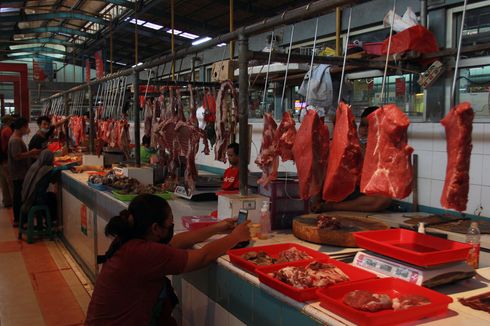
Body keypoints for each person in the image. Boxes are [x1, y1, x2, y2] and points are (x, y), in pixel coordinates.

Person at [85, 194, 250, 325]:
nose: (172, 226)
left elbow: (176, 242)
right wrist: (235, 237)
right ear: (155, 228)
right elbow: (202, 257)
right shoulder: (143, 252)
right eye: (170, 223)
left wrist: (218, 227)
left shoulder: (129, 240)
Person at [311, 106, 391, 213]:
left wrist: (357, 143)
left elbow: (374, 173)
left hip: (358, 194)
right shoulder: (345, 143)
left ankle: (332, 207)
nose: (365, 130)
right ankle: (320, 205)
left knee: (383, 200)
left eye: (371, 126)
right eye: (363, 125)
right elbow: (319, 171)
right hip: (335, 188)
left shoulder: (385, 150)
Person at [21, 150, 70, 227]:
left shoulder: (35, 165)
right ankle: (51, 223)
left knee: (49, 196)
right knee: (52, 198)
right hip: (35, 199)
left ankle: (43, 223)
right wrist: (75, 165)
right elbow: (60, 169)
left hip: (26, 197)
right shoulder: (46, 170)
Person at [8, 117, 40, 226]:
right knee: (19, 196)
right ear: (21, 127)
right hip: (18, 173)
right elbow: (16, 156)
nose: (27, 129)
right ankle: (19, 220)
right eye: (26, 127)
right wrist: (31, 153)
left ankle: (20, 219)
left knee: (19, 195)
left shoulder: (17, 138)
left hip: (19, 172)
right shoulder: (15, 140)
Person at [0, 115, 14, 207]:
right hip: (6, 159)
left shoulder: (2, 129)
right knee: (10, 181)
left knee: (3, 181)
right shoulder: (8, 130)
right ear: (9, 121)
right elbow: (12, 143)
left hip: (1, 159)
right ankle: (14, 201)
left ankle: (7, 201)